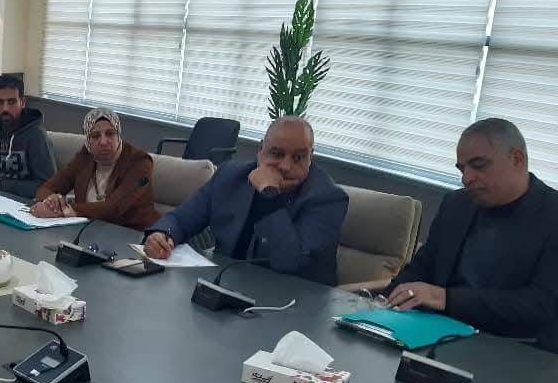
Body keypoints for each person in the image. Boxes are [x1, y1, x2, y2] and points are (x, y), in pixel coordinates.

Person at [385, 118, 558, 351]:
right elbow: (424, 266)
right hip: (435, 334)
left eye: (479, 165)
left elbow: (542, 305)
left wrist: (446, 298)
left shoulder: (552, 215)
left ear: (517, 159)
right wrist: (386, 301)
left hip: (517, 348)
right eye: (462, 168)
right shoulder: (457, 204)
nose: (466, 178)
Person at [143, 116, 348, 285]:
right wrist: (161, 235)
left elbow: (290, 262)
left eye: (298, 157)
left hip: (295, 302)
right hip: (227, 286)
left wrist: (269, 194)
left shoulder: (327, 199)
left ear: (311, 157)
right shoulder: (230, 176)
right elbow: (181, 219)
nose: (286, 166)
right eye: (277, 154)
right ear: (260, 150)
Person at [31, 107, 160, 231]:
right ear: (88, 141)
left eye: (110, 134)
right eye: (95, 136)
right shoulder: (85, 156)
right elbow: (45, 189)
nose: (103, 141)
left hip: (133, 235)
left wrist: (66, 210)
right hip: (87, 230)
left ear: (118, 135)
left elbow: (114, 208)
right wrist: (52, 202)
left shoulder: (140, 162)